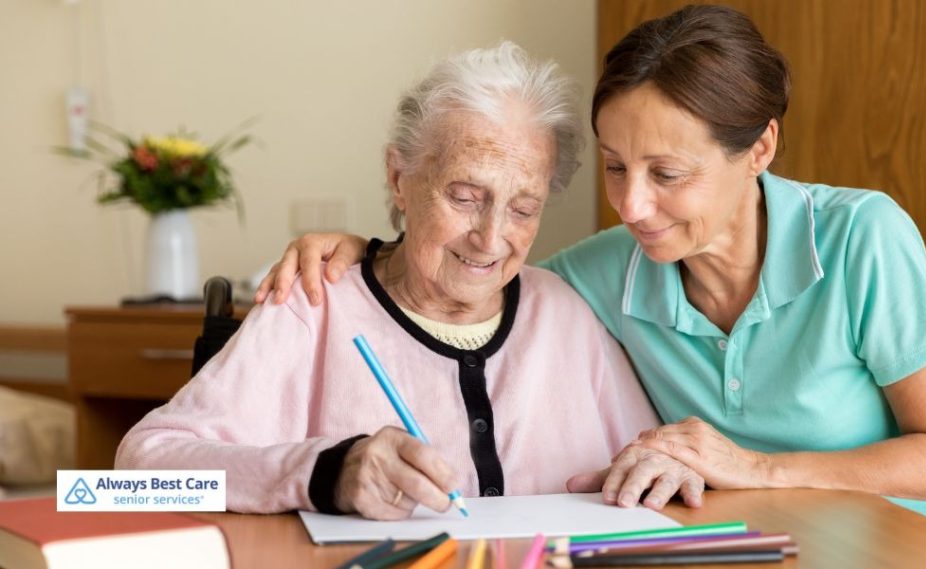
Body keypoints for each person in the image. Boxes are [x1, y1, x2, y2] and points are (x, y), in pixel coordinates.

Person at [256, 5, 926, 550]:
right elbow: (476, 278)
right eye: (617, 168)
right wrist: (373, 244)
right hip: (775, 550)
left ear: (759, 149)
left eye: (667, 173)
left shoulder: (863, 237)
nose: (633, 204)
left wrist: (752, 466)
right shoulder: (608, 269)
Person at [115, 41, 666, 520]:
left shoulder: (564, 314)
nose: (491, 237)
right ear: (399, 178)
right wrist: (324, 473)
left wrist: (661, 470)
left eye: (524, 208)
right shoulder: (313, 303)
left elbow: (655, 459)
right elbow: (136, 478)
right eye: (465, 198)